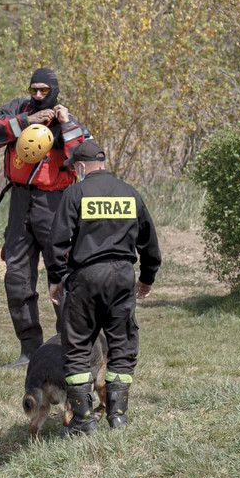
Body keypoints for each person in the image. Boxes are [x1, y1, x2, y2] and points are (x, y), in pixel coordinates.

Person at [44, 140, 161, 433]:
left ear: (81, 167)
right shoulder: (130, 193)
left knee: (78, 346)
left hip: (86, 277)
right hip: (122, 276)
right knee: (122, 344)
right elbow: (149, 242)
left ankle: (83, 420)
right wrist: (147, 277)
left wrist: (56, 278)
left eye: (75, 169)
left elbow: (57, 241)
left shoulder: (75, 193)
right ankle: (117, 416)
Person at [0, 67, 90, 368]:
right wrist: (26, 121)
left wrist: (65, 122)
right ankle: (29, 350)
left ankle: (66, 348)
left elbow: (82, 155)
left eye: (45, 90)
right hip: (19, 200)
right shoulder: (17, 108)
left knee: (62, 275)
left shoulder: (67, 119)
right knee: (16, 277)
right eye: (35, 90)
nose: (40, 95)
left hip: (54, 203)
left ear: (55, 90)